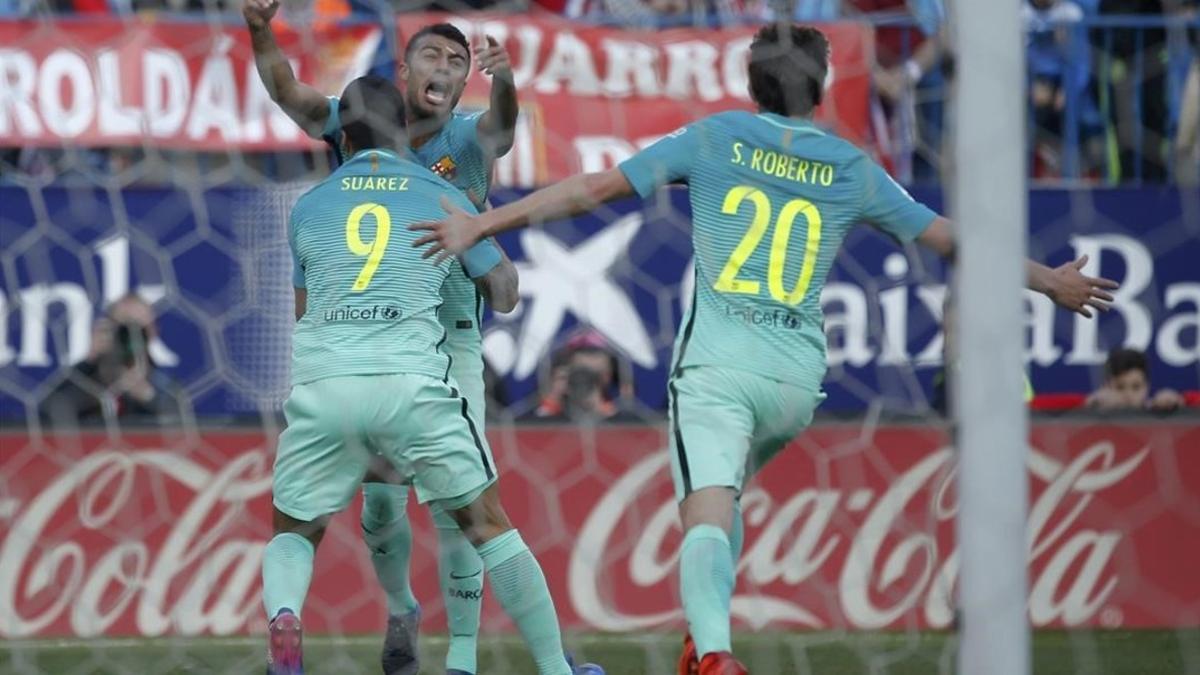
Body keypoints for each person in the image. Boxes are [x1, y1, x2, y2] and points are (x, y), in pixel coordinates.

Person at [410, 24, 1120, 675]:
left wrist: (485, 222)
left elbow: (593, 189)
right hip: (795, 379)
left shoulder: (717, 136)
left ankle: (714, 653)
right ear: (820, 87)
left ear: (751, 85)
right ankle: (703, 638)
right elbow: (952, 239)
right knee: (730, 492)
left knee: (704, 513)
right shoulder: (850, 164)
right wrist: (1048, 281)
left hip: (719, 367)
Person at [263, 75, 602, 675]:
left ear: (342, 131)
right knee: (489, 527)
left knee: (294, 530)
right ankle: (556, 667)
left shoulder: (309, 205)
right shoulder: (440, 194)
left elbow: (302, 312)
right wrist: (478, 237)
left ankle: (285, 616)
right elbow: (503, 295)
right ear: (405, 131)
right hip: (411, 384)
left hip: (326, 385)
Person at [243, 6, 525, 673]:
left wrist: (506, 81)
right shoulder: (357, 124)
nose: (446, 70)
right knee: (378, 504)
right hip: (375, 337)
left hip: (450, 338)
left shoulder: (469, 137)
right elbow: (287, 91)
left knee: (462, 507)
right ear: (403, 71)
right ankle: (401, 606)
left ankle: (461, 656)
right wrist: (260, 29)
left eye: (458, 64)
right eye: (433, 57)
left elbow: (505, 125)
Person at [39, 294, 185, 427]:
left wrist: (147, 396)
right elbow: (43, 417)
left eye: (139, 329)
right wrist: (89, 360)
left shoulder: (164, 384)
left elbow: (185, 428)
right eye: (124, 329)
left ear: (153, 332)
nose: (131, 337)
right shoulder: (84, 376)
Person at [1087, 348, 1185, 412]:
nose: (1128, 395)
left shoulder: (1157, 412)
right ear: (1106, 386)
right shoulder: (1092, 408)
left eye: (1136, 387)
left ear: (1147, 386)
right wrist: (1092, 403)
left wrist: (1176, 402)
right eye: (1120, 387)